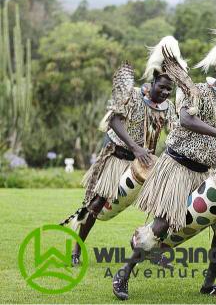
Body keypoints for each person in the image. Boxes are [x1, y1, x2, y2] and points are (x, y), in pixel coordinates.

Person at [112, 23, 216, 300]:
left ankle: (209, 283)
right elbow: (186, 119)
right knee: (162, 226)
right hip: (178, 167)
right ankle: (124, 273)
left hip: (210, 173)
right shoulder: (199, 92)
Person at [60, 36, 185, 266]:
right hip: (117, 156)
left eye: (170, 89)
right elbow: (113, 121)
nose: (166, 92)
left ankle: (150, 246)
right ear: (154, 80)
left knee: (164, 204)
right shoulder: (134, 95)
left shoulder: (168, 108)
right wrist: (136, 147)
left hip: (145, 163)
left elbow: (174, 133)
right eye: (162, 87)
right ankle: (77, 248)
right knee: (97, 203)